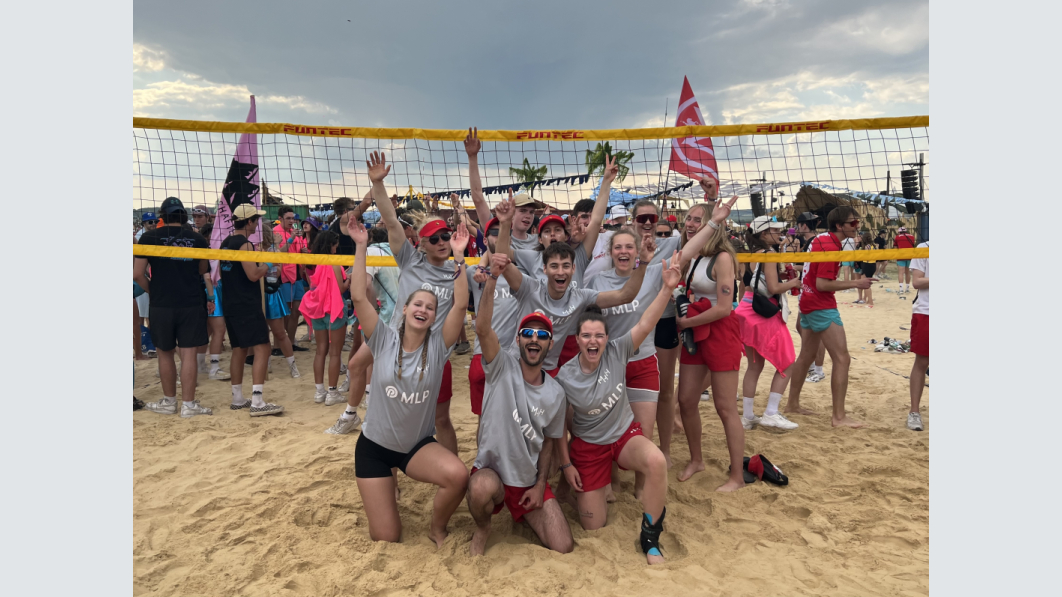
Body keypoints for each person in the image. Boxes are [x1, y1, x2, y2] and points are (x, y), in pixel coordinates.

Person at [347, 214, 470, 548]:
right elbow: (359, 297)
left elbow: (460, 303)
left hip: (414, 448)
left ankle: (437, 528)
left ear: (434, 317)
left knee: (459, 476)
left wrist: (459, 258)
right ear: (404, 309)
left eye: (430, 307)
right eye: (417, 303)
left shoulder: (439, 347)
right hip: (373, 449)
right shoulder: (383, 338)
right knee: (387, 536)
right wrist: (361, 247)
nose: (424, 309)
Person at [327, 154, 461, 456]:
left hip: (433, 357)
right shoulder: (411, 260)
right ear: (422, 243)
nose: (442, 241)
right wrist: (377, 184)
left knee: (441, 420)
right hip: (394, 344)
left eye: (445, 236)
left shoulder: (457, 272)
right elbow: (390, 220)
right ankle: (352, 415)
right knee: (362, 372)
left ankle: (454, 471)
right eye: (434, 238)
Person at [554, 255, 683, 565]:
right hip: (588, 446)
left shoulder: (618, 349)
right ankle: (582, 491)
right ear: (578, 339)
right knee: (592, 524)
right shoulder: (565, 376)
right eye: (586, 335)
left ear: (607, 338)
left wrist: (666, 289)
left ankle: (650, 536)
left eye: (599, 335)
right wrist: (566, 465)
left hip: (624, 435)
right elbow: (558, 427)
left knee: (655, 461)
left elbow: (646, 322)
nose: (593, 341)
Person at [467, 254, 573, 556]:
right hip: (494, 476)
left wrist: (540, 485)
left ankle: (524, 514)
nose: (534, 339)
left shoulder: (555, 392)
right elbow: (484, 329)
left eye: (542, 335)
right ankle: (483, 526)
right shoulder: (501, 366)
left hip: (527, 483)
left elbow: (551, 444)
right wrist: (492, 281)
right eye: (528, 333)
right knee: (480, 488)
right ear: (519, 339)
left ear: (550, 345)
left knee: (563, 546)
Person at [494, 195, 652, 378]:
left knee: (564, 397)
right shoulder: (530, 286)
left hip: (557, 355)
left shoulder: (580, 295)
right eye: (554, 266)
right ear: (544, 269)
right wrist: (505, 223)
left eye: (566, 266)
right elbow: (502, 258)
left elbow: (625, 295)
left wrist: (644, 263)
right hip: (520, 365)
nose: (560, 271)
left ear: (574, 268)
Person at [672, 195, 750, 489]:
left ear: (712, 226)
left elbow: (724, 308)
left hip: (719, 331)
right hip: (698, 330)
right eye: (689, 219)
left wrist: (686, 322)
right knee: (686, 399)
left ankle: (737, 477)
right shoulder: (694, 257)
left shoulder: (723, 258)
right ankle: (696, 460)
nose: (690, 224)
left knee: (725, 406)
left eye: (697, 220)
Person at [784, 206, 875, 428]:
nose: (857, 226)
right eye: (853, 223)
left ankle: (792, 405)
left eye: (857, 222)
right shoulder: (828, 244)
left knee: (806, 355)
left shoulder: (821, 239)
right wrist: (856, 283)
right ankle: (839, 417)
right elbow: (822, 284)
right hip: (819, 305)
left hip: (807, 302)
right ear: (839, 225)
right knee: (842, 358)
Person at [134, 197, 214, 418]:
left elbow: (137, 274)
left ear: (162, 215)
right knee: (188, 354)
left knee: (164, 354)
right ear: (183, 216)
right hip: (190, 301)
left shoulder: (149, 237)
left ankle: (170, 402)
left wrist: (153, 290)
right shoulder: (197, 239)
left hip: (161, 304)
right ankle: (188, 405)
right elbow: (201, 270)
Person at [736, 217, 802, 432]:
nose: (780, 234)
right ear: (763, 234)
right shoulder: (770, 254)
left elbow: (749, 283)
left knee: (754, 367)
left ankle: (747, 417)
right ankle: (771, 413)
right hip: (763, 314)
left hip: (745, 309)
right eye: (775, 230)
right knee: (788, 363)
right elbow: (773, 288)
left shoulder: (749, 254)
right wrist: (793, 282)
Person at [219, 204, 285, 417]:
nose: (257, 223)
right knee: (263, 347)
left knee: (239, 348)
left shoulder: (226, 243)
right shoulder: (245, 245)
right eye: (256, 219)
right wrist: (268, 263)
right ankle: (257, 401)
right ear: (249, 221)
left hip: (230, 302)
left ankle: (238, 398)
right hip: (245, 303)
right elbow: (253, 275)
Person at [298, 230, 352, 406]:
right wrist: (349, 278)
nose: (337, 246)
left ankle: (319, 391)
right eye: (336, 244)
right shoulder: (333, 262)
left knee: (320, 351)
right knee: (335, 353)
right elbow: (341, 288)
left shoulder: (315, 262)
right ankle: (332, 392)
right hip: (333, 308)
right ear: (331, 245)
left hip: (317, 309)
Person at [259, 228, 301, 379]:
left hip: (271, 294)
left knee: (280, 333)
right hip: (258, 295)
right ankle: (266, 364)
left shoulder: (273, 250)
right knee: (262, 335)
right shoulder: (252, 249)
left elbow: (276, 273)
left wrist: (267, 263)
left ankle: (293, 366)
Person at [794, 212, 828, 382]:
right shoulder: (811, 241)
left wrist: (793, 267)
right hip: (805, 291)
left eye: (798, 225)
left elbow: (810, 269)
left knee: (815, 333)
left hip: (812, 291)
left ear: (804, 226)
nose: (796, 228)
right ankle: (813, 365)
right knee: (801, 328)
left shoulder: (814, 242)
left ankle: (818, 370)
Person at [272, 206, 309, 355]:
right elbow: (279, 254)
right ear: (280, 218)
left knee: (296, 311)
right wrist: (292, 238)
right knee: (284, 313)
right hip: (282, 275)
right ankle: (278, 346)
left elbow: (298, 251)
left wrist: (304, 251)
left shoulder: (295, 233)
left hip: (296, 274)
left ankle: (291, 342)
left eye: (293, 218)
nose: (292, 221)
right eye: (288, 218)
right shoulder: (275, 232)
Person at [195, 222, 230, 381]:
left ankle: (201, 365)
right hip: (212, 290)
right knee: (219, 330)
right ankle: (214, 368)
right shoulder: (210, 251)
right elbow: (208, 276)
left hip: (205, 290)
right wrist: (211, 297)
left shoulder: (201, 250)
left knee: (207, 331)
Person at [907, 240, 929, 431]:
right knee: (922, 362)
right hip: (927, 312)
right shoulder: (925, 247)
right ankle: (914, 412)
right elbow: (917, 282)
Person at [854, 232, 876, 306]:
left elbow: (865, 256)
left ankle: (870, 301)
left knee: (866, 284)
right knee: (867, 283)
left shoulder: (867, 246)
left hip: (867, 264)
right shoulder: (874, 246)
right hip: (872, 265)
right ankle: (868, 300)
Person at [893, 227, 916, 293]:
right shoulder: (912, 236)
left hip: (901, 256)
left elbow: (895, 247)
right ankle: (907, 289)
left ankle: (901, 289)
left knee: (901, 273)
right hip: (910, 256)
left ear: (899, 232)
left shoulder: (897, 237)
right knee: (908, 273)